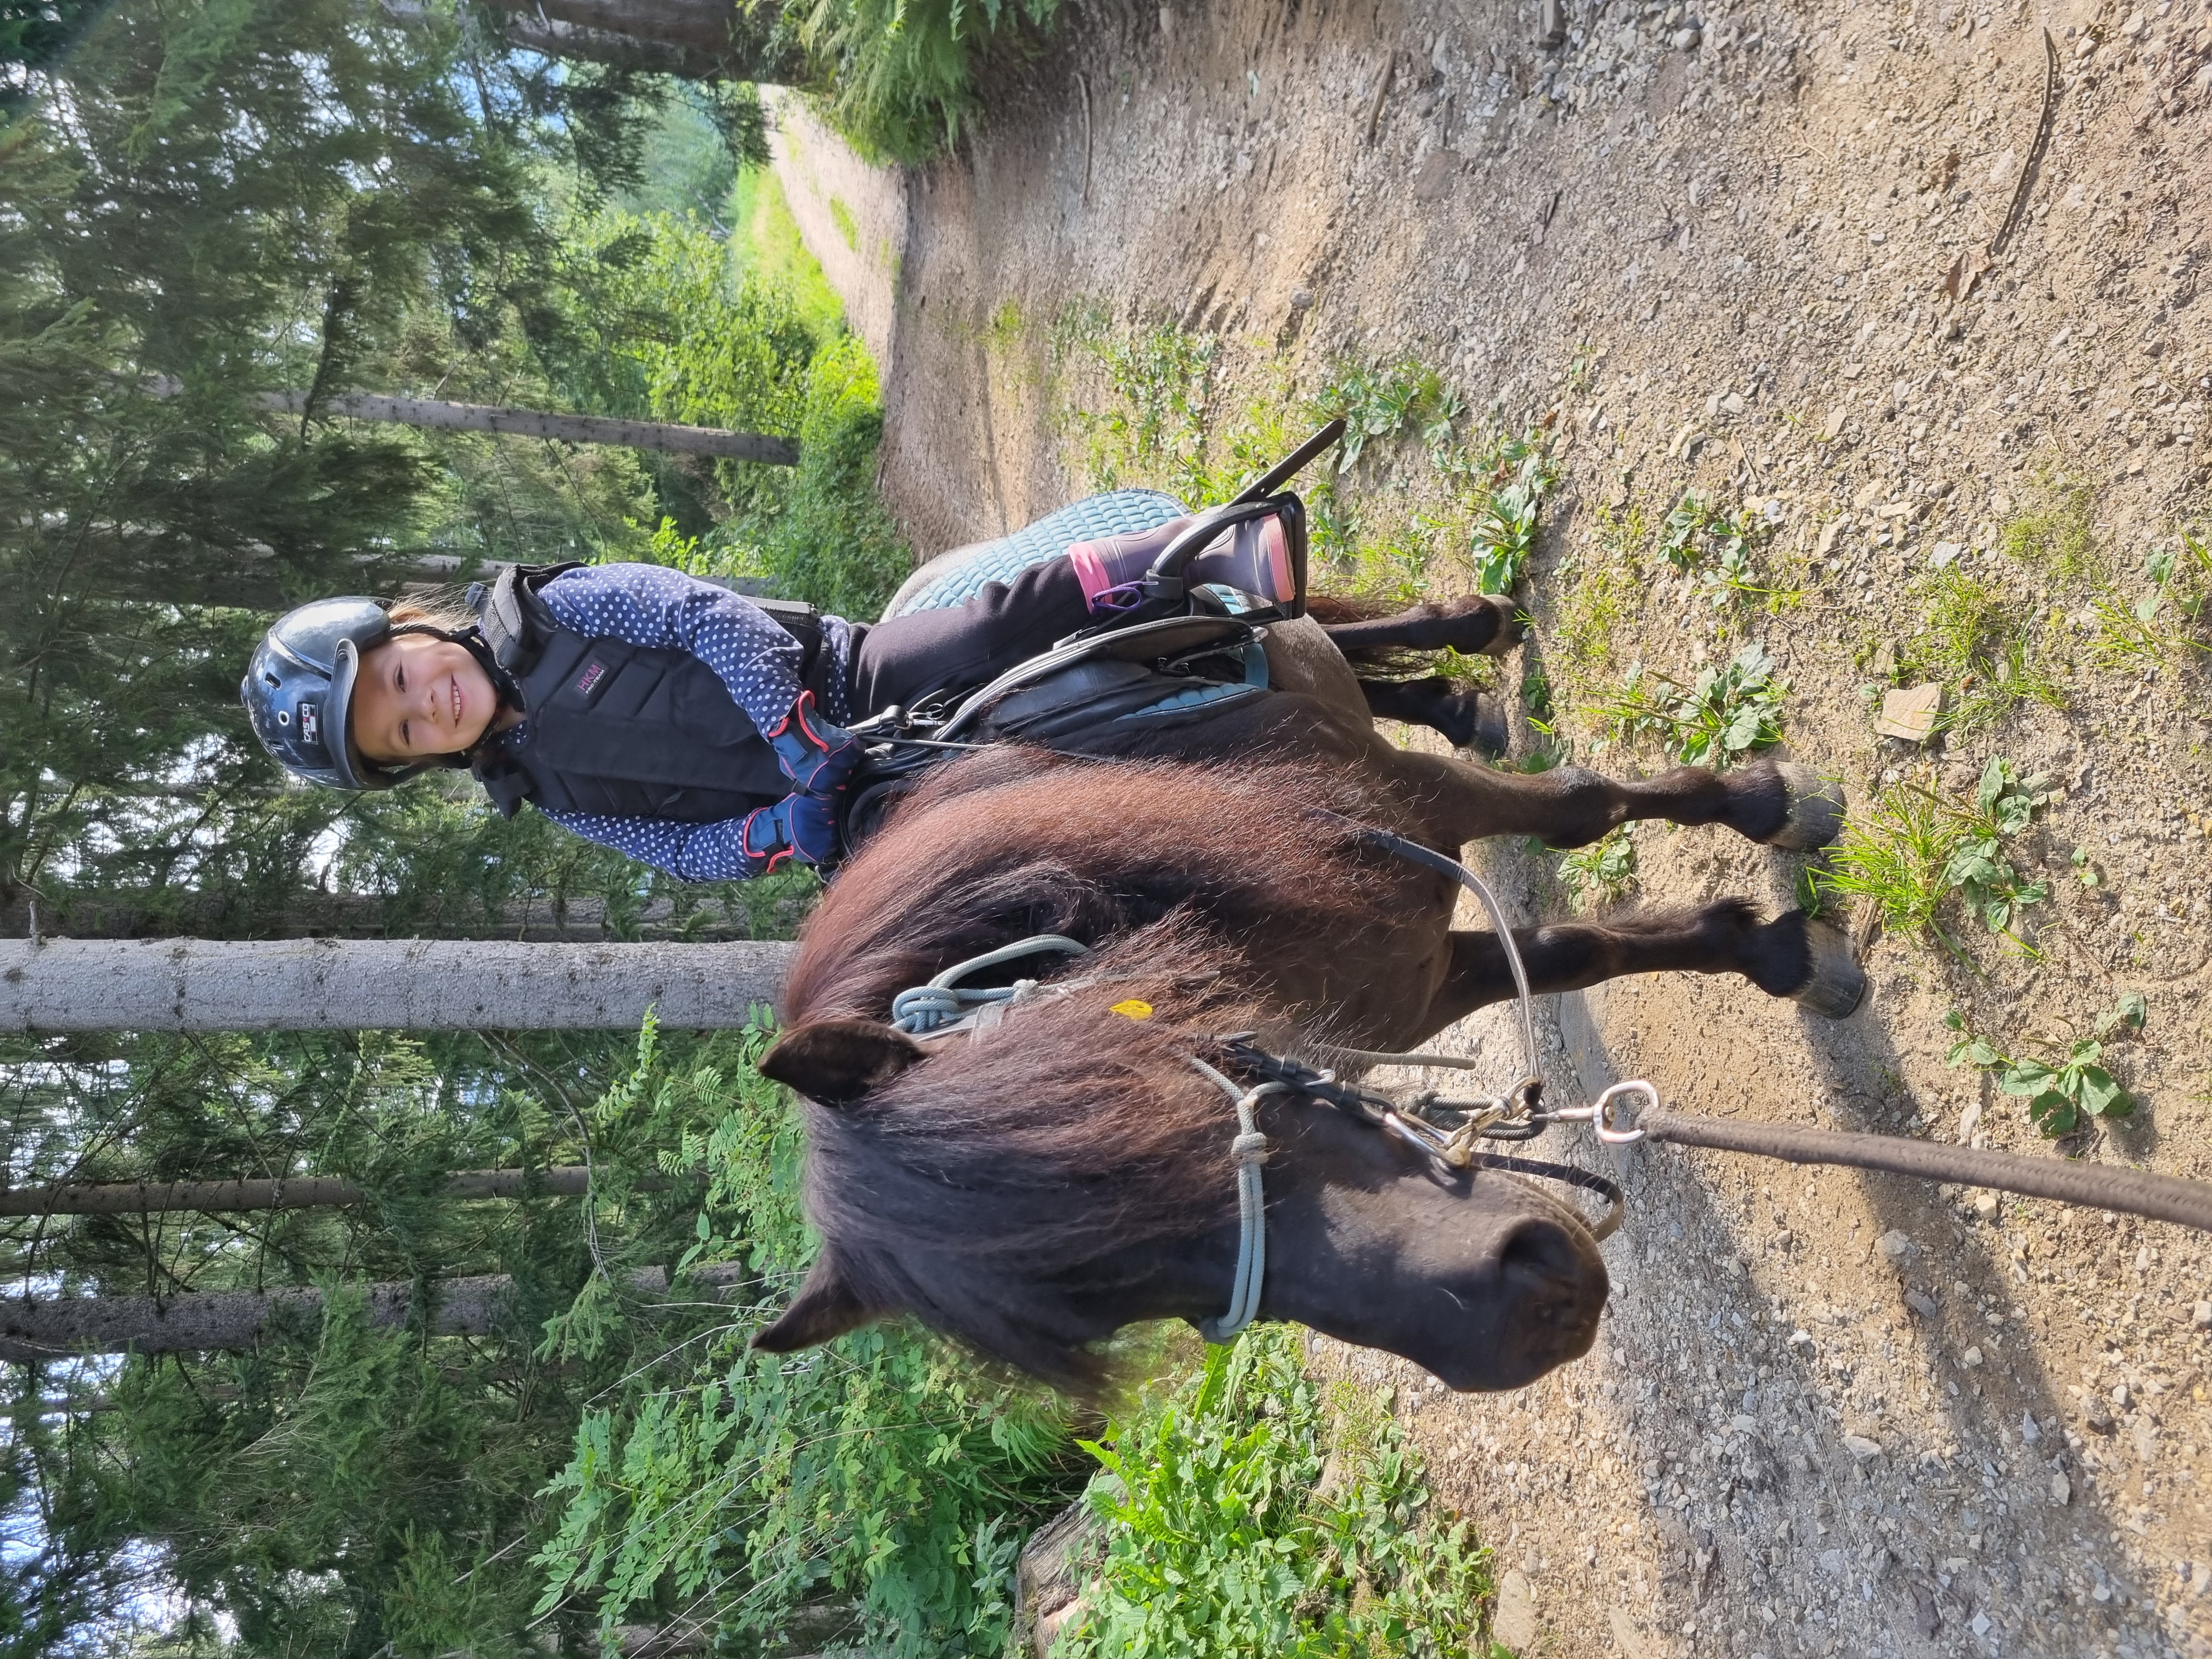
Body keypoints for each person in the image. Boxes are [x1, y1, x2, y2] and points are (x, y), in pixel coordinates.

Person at [241, 510, 1297, 881]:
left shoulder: (558, 608)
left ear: (409, 628)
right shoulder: (545, 787)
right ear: (417, 761)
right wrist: (784, 832)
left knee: (988, 622)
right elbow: (677, 854)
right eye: (404, 731)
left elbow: (703, 615)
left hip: (840, 686)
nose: (426, 705)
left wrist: (800, 736)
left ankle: (1198, 549)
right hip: (832, 807)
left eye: (400, 677)